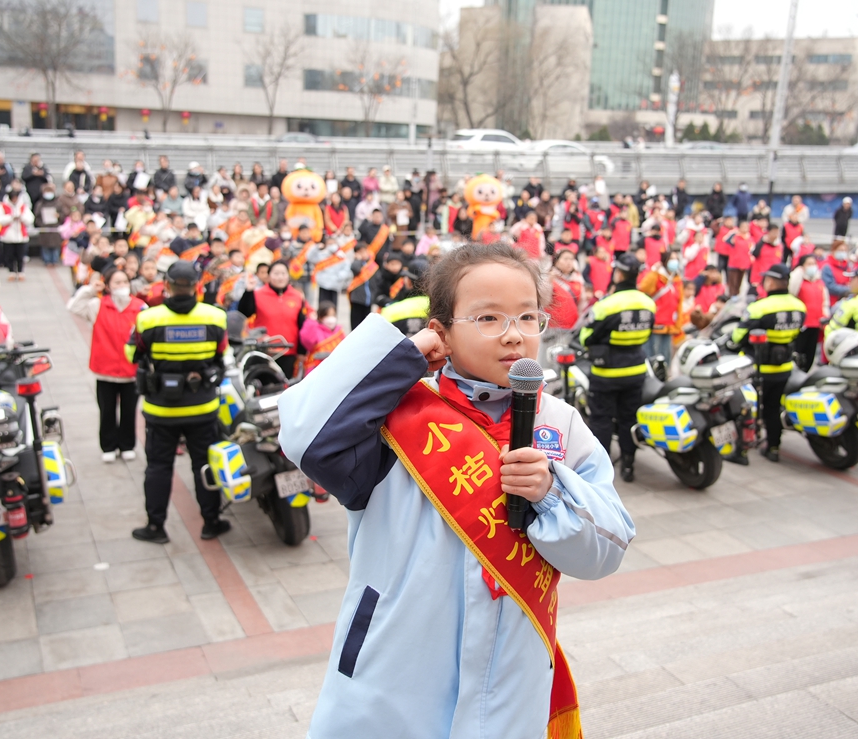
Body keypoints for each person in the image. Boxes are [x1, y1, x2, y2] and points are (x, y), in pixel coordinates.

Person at [277, 241, 633, 739]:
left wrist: (552, 492)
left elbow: (607, 549)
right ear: (440, 332)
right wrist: (401, 360)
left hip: (510, 683)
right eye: (488, 318)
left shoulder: (562, 423)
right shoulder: (390, 414)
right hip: (392, 677)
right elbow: (303, 433)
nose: (514, 335)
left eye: (527, 317)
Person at [126, 261, 230, 544]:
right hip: (203, 408)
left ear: (167, 285)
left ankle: (156, 527)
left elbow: (131, 354)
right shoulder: (215, 317)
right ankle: (211, 522)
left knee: (159, 467)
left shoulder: (148, 319)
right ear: (197, 286)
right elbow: (222, 354)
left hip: (161, 410)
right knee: (204, 466)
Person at [581, 253, 655, 483]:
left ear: (619, 274)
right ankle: (628, 466)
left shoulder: (606, 306)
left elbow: (586, 337)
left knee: (601, 420)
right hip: (636, 371)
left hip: (606, 374)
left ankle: (602, 472)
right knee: (628, 419)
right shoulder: (648, 303)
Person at [68, 268, 146, 462]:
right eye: (117, 282)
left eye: (125, 282)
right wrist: (90, 290)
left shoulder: (139, 307)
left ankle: (127, 445)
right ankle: (108, 445)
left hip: (131, 371)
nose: (122, 286)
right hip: (105, 370)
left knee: (129, 411)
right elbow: (74, 306)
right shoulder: (98, 305)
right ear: (108, 286)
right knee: (107, 410)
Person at [732, 264, 806, 462]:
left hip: (758, 369)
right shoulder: (799, 306)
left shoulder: (759, 308)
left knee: (747, 408)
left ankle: (742, 451)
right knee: (772, 409)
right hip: (784, 368)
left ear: (771, 282)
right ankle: (773, 447)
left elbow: (738, 335)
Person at [237, 260, 308, 378]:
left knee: (287, 384)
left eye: (283, 273)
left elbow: (302, 325)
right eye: (276, 273)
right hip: (265, 351)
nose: (280, 277)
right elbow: (244, 313)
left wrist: (302, 351)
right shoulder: (258, 294)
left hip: (289, 351)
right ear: (269, 276)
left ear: (288, 275)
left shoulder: (297, 296)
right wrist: (248, 292)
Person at [639, 249, 683, 361]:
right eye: (671, 259)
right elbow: (644, 288)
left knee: (666, 357)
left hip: (670, 325)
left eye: (676, 259)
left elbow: (679, 303)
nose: (674, 261)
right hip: (656, 323)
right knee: (653, 356)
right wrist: (654, 272)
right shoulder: (657, 276)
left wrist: (678, 324)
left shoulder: (677, 280)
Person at [789, 255, 829, 372]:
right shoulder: (799, 281)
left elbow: (825, 302)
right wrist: (798, 272)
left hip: (816, 324)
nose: (812, 266)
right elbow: (791, 291)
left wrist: (825, 317)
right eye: (809, 264)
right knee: (798, 351)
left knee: (810, 354)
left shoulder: (819, 282)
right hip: (802, 324)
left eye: (814, 263)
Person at [0, 179, 34, 280]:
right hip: (8, 235)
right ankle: (11, 271)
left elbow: (30, 218)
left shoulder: (23, 207)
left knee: (20, 255)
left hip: (21, 235)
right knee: (9, 255)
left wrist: (21, 217)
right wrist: (10, 218)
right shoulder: (3, 206)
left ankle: (20, 272)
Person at [300, 301, 346, 374]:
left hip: (336, 369)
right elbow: (306, 340)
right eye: (327, 315)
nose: (331, 318)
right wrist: (311, 322)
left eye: (333, 315)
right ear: (320, 317)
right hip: (317, 370)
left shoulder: (339, 332)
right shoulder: (315, 330)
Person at [821, 239, 852, 306]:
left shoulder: (847, 266)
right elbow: (830, 287)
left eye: (844, 250)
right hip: (832, 302)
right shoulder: (827, 267)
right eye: (840, 250)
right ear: (833, 250)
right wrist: (848, 289)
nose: (842, 252)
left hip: (846, 302)